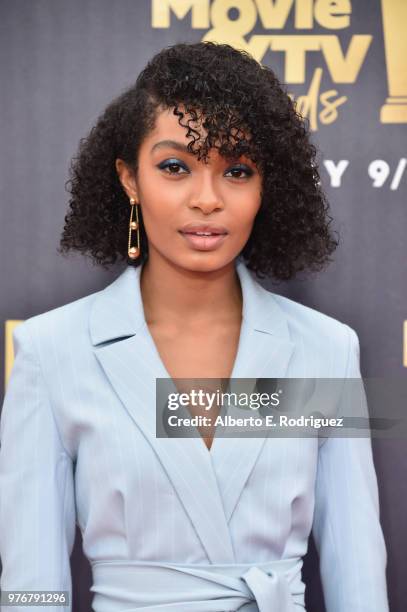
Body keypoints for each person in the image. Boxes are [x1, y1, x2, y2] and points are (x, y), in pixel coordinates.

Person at [0, 41, 389, 611]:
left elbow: (358, 572)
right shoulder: (52, 351)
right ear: (129, 178)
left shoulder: (325, 349)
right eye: (176, 167)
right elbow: (31, 588)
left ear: (264, 187)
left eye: (236, 170)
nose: (207, 199)